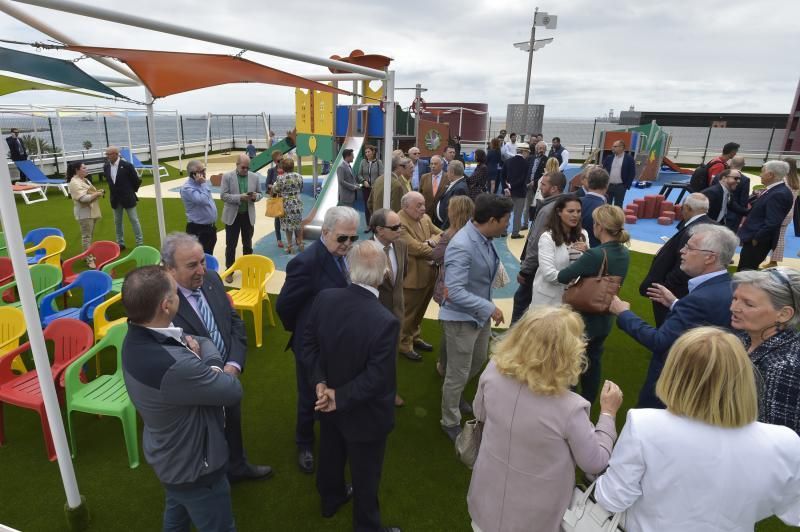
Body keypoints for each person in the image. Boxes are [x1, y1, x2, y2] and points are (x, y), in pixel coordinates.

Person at [595, 327, 800, 531]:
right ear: (744, 376)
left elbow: (612, 499)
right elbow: (792, 512)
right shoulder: (784, 442)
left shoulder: (645, 425)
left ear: (675, 373)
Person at [468, 306, 623, 532]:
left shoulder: (492, 371)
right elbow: (594, 462)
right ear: (568, 352)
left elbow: (478, 413)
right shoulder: (571, 407)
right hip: (534, 518)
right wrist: (608, 414)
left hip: (486, 498)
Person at [120, 265, 242, 531]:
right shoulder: (177, 366)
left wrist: (199, 353)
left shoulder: (137, 337)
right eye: (176, 293)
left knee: (176, 518)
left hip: (171, 458)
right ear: (166, 305)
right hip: (196, 468)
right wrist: (212, 365)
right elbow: (231, 391)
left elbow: (198, 339)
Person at [162, 233, 272, 483]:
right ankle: (212, 476)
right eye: (192, 265)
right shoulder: (161, 303)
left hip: (228, 375)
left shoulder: (212, 279)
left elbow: (234, 323)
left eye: (202, 261)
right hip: (196, 387)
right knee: (206, 433)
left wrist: (232, 366)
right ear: (170, 269)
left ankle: (238, 466)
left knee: (232, 421)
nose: (201, 270)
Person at [308, 241, 401, 532]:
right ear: (385, 273)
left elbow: (308, 345)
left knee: (331, 454)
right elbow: (378, 377)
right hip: (365, 414)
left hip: (328, 404)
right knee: (365, 475)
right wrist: (338, 395)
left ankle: (330, 501)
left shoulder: (325, 298)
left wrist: (321, 384)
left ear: (349, 269)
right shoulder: (385, 321)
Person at [610, 223, 738, 408]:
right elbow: (702, 320)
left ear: (710, 257)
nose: (682, 251)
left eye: (689, 247)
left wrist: (623, 313)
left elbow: (659, 341)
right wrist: (676, 304)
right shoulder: (727, 285)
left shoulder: (700, 298)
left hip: (672, 388)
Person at [276, 206, 358, 474]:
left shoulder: (344, 256)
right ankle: (305, 442)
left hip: (338, 343)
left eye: (352, 238)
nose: (348, 244)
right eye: (342, 238)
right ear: (325, 232)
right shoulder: (306, 262)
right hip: (312, 346)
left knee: (333, 391)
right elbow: (285, 306)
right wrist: (303, 332)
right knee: (309, 395)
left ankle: (331, 432)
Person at [439, 193, 513, 441]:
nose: (508, 224)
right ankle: (449, 419)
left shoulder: (482, 236)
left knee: (478, 359)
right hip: (461, 318)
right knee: (457, 372)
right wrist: (489, 307)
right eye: (506, 219)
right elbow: (455, 291)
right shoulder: (462, 245)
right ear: (492, 220)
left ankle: (456, 394)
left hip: (478, 315)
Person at [558, 205, 631, 404]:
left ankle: (569, 402)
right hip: (605, 316)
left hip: (584, 318)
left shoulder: (596, 255)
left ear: (599, 226)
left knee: (573, 360)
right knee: (594, 359)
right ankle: (588, 401)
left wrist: (584, 255)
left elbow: (563, 276)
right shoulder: (623, 252)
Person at [731, 268, 800, 434]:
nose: (734, 307)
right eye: (735, 298)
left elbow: (778, 439)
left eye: (748, 304)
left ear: (784, 314)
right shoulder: (745, 339)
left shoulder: (784, 367)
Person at [639, 193, 711, 326]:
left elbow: (685, 267)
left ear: (687, 208)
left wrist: (665, 287)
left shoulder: (695, 230)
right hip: (685, 292)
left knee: (666, 330)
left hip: (671, 293)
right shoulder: (711, 226)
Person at [512, 171, 568, 324]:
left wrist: (525, 270)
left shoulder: (547, 209)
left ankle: (514, 338)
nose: (540, 187)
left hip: (536, 266)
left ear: (554, 188)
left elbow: (536, 242)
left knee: (521, 302)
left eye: (543, 184)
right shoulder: (562, 205)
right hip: (549, 265)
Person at [430, 196, 475, 377]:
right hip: (470, 288)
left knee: (449, 331)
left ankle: (444, 365)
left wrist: (434, 243)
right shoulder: (474, 233)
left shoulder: (450, 235)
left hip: (450, 288)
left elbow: (436, 256)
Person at [370, 208, 408, 407]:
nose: (400, 230)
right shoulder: (364, 251)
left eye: (400, 225)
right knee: (372, 355)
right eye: (395, 227)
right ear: (379, 230)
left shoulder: (401, 246)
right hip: (373, 316)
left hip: (397, 312)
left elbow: (403, 275)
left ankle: (389, 391)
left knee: (392, 354)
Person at [397, 191, 442, 361]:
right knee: (408, 313)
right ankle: (403, 343)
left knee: (420, 311)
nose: (423, 208)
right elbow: (416, 248)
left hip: (429, 274)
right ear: (405, 206)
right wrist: (435, 246)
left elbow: (443, 234)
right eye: (419, 205)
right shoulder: (398, 223)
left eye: (423, 204)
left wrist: (431, 241)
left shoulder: (425, 218)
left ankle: (414, 336)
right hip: (411, 279)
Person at [531, 196, 588, 308]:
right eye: (570, 211)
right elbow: (549, 274)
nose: (575, 215)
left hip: (573, 300)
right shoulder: (547, 238)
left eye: (578, 211)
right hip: (547, 302)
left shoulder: (583, 235)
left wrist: (588, 254)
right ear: (559, 212)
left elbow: (588, 268)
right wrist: (572, 278)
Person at [737, 160, 794, 271]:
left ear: (771, 174)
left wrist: (756, 239)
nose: (760, 175)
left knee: (745, 272)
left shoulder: (778, 194)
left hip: (758, 242)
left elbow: (772, 222)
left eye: (763, 172)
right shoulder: (775, 190)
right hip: (756, 239)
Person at [221, 154, 263, 276]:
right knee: (231, 245)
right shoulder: (227, 176)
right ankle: (229, 271)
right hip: (232, 217)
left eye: (247, 168)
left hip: (247, 216)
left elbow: (261, 193)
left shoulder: (254, 177)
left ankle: (248, 269)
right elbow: (223, 196)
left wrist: (255, 197)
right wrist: (240, 197)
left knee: (248, 244)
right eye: (243, 167)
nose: (245, 170)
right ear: (237, 165)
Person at [104, 146, 143, 250]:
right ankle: (120, 243)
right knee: (117, 222)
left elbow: (136, 181)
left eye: (108, 154)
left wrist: (129, 192)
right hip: (115, 199)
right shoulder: (106, 167)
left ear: (116, 154)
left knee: (134, 220)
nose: (107, 156)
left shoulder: (127, 166)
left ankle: (140, 243)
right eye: (106, 154)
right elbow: (110, 182)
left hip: (128, 198)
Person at [180, 160, 218, 254]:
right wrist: (204, 184)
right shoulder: (187, 188)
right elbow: (202, 201)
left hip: (210, 228)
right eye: (201, 171)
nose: (204, 173)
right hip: (198, 230)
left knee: (209, 256)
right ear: (193, 174)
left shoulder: (200, 184)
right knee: (199, 259)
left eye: (204, 170)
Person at [767, 157, 799, 267]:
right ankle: (773, 260)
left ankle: (773, 261)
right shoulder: (796, 180)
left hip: (781, 211)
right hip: (790, 212)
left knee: (777, 237)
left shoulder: (784, 180)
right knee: (780, 237)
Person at [67, 161, 103, 256]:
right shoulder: (74, 182)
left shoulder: (85, 180)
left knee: (89, 235)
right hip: (84, 213)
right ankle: (89, 258)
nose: (86, 169)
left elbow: (90, 193)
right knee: (87, 237)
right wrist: (97, 194)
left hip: (92, 211)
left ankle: (87, 254)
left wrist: (97, 192)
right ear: (77, 170)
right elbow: (83, 198)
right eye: (84, 168)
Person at [270, 157, 304, 255]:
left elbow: (275, 190)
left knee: (288, 226)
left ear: (283, 167)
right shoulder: (299, 176)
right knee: (298, 224)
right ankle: (300, 243)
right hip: (297, 203)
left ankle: (290, 246)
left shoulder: (281, 178)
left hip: (286, 205)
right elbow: (301, 188)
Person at [502, 143, 532, 238]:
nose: (528, 154)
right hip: (520, 192)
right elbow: (523, 180)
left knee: (506, 212)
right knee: (518, 214)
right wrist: (512, 186)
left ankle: (503, 231)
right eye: (527, 152)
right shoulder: (526, 164)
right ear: (524, 151)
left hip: (507, 192)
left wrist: (506, 188)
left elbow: (502, 176)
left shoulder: (508, 161)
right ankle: (515, 233)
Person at [434, 160, 469, 229]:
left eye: (447, 171)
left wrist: (444, 229)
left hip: (447, 227)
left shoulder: (460, 189)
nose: (447, 174)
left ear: (452, 172)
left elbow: (455, 213)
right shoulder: (456, 184)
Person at [580, 166, 610, 247]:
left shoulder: (574, 202)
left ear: (588, 183)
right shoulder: (605, 210)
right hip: (596, 252)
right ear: (607, 185)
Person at [602, 139, 637, 207]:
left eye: (615, 146)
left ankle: (617, 218)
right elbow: (603, 170)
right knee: (606, 206)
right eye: (612, 146)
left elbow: (632, 173)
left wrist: (626, 186)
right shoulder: (609, 158)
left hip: (621, 186)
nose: (612, 148)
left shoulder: (629, 159)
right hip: (608, 186)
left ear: (622, 147)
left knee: (618, 206)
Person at [722, 155, 750, 231]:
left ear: (731, 162)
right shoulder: (745, 180)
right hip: (733, 217)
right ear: (743, 165)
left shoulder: (720, 175)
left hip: (718, 213)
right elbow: (743, 201)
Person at [524, 141, 548, 225]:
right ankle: (525, 224)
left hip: (539, 187)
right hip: (528, 186)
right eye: (540, 148)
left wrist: (535, 182)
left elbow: (545, 174)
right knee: (527, 206)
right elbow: (526, 171)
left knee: (538, 206)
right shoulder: (530, 158)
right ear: (536, 149)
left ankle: (535, 224)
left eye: (543, 148)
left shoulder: (547, 160)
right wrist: (527, 182)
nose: (541, 150)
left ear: (545, 150)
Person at [264, 150, 284, 248]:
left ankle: (296, 237)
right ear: (275, 162)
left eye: (283, 159)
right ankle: (279, 239)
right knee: (277, 219)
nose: (282, 162)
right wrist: (273, 186)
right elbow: (266, 185)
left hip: (287, 198)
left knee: (291, 218)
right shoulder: (271, 171)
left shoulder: (288, 168)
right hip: (277, 198)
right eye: (279, 160)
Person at [358, 144, 381, 230]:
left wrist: (376, 184)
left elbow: (381, 175)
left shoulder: (379, 162)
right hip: (366, 189)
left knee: (375, 206)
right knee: (367, 206)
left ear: (373, 152)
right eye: (366, 152)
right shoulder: (363, 162)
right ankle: (368, 225)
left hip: (376, 188)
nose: (367, 154)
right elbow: (359, 174)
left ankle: (375, 224)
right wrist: (363, 181)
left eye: (369, 152)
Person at [419, 155, 448, 220]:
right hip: (426, 213)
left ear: (442, 165)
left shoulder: (448, 178)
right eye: (431, 164)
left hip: (441, 214)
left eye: (435, 164)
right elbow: (420, 194)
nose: (433, 166)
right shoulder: (424, 177)